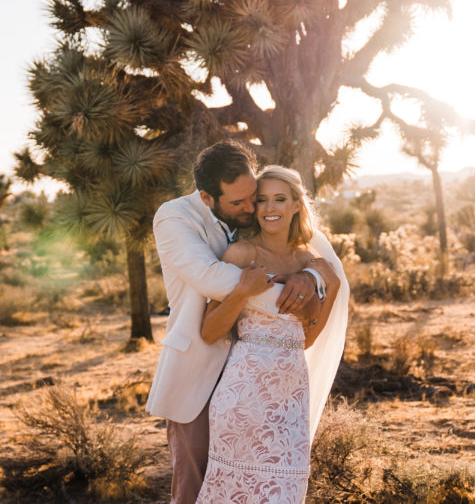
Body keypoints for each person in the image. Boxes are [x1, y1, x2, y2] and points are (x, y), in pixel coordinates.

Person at [147, 141, 349, 504]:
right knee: (197, 487)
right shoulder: (176, 218)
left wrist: (314, 275)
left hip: (278, 387)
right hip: (201, 367)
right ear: (208, 197)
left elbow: (307, 335)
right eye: (242, 203)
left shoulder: (264, 233)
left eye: (253, 197)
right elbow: (212, 278)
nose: (252, 208)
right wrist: (301, 287)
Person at [195, 165, 342, 503]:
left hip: (291, 395)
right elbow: (209, 331)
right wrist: (241, 292)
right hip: (243, 393)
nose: (270, 208)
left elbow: (306, 340)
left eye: (280, 199)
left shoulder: (312, 262)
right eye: (262, 200)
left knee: (285, 492)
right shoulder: (242, 254)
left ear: (296, 205)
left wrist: (323, 288)